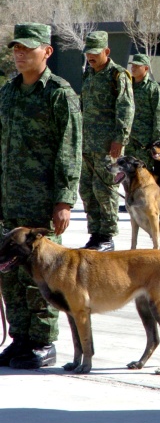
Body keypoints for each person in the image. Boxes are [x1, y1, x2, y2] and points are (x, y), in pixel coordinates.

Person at [0, 23, 82, 369]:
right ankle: (21, 339)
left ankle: (44, 342)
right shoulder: (8, 91)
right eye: (16, 48)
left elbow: (69, 149)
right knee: (9, 271)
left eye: (27, 49)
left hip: (41, 202)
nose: (19, 54)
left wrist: (63, 201)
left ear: (47, 51)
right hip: (8, 199)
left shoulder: (59, 94)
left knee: (41, 274)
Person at [80, 30, 135, 251]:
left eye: (94, 53)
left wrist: (119, 140)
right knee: (87, 190)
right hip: (86, 144)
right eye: (87, 53)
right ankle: (95, 233)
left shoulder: (118, 75)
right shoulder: (89, 74)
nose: (90, 57)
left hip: (107, 145)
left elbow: (126, 108)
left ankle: (107, 237)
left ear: (107, 51)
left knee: (105, 190)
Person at [126, 53, 160, 170]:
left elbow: (159, 116)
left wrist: (155, 141)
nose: (133, 69)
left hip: (144, 141)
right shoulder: (127, 85)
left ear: (146, 68)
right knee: (128, 174)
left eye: (137, 66)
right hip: (128, 139)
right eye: (132, 66)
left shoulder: (153, 88)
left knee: (143, 173)